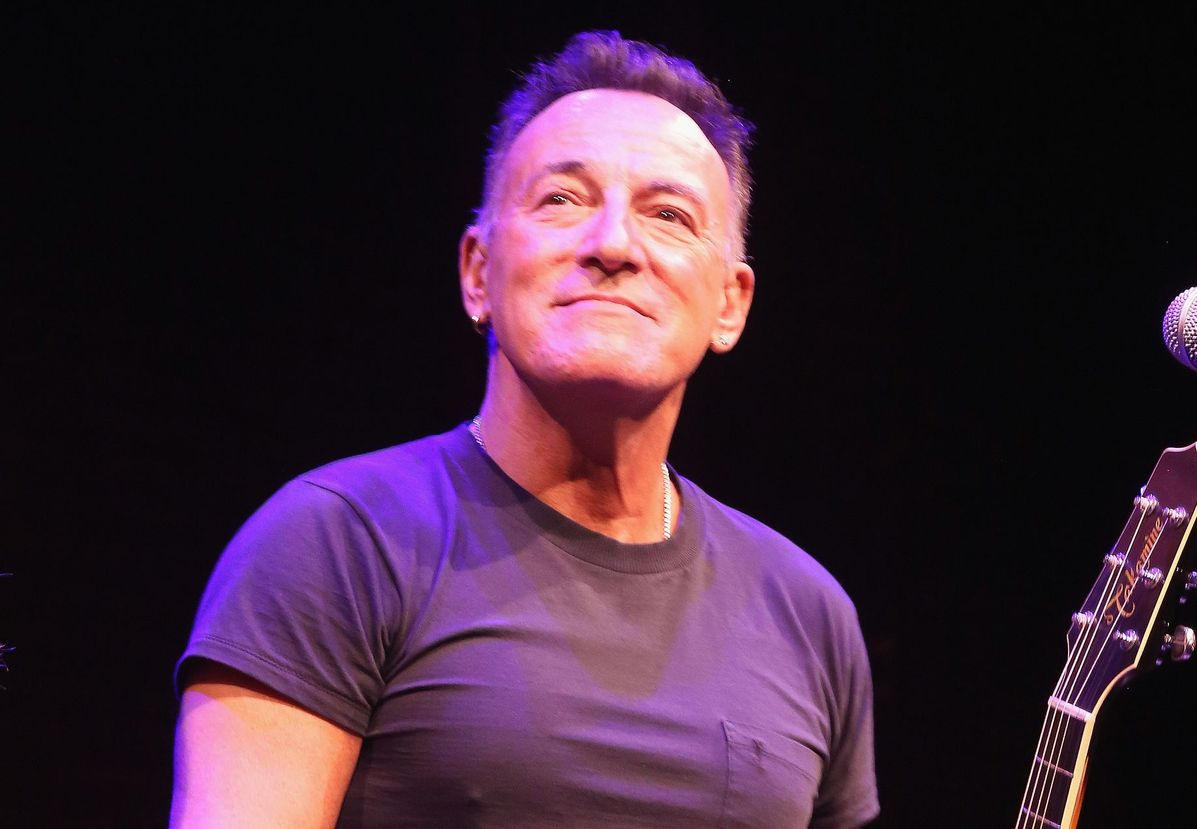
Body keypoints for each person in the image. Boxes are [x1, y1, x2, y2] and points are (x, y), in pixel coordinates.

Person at [170, 30, 879, 828]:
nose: (614, 244)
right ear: (478, 271)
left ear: (730, 303)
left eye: (669, 215)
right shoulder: (337, 543)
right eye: (563, 200)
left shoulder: (808, 612)